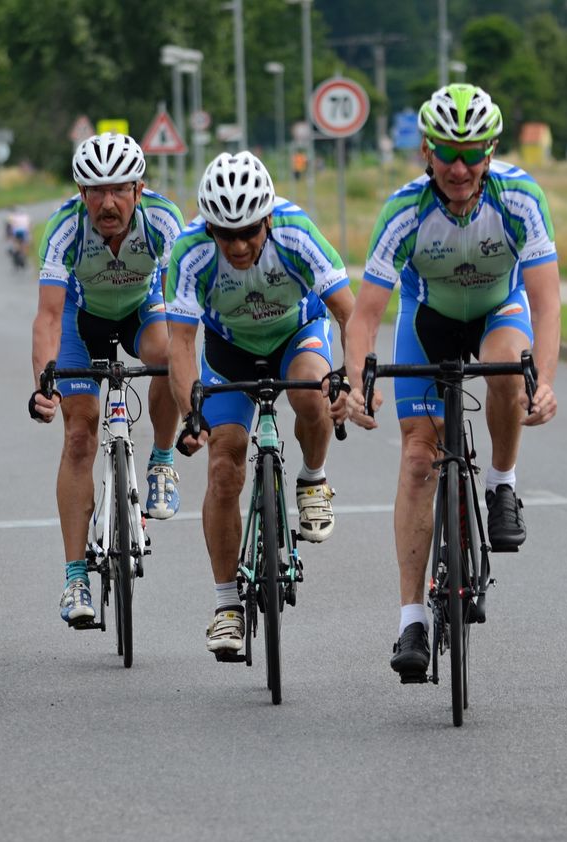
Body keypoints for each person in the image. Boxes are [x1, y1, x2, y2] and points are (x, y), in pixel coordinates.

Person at [343, 84, 560, 679]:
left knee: (507, 370)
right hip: (429, 321)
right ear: (426, 152)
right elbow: (365, 317)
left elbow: (545, 302)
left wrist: (544, 381)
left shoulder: (520, 197)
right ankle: (412, 618)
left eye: (471, 154)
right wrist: (357, 382)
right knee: (419, 456)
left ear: (490, 151)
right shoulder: (404, 211)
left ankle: (501, 483)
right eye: (446, 153)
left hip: (498, 312)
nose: (459, 168)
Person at [166, 151, 354, 658]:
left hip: (296, 333)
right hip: (229, 353)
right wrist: (191, 414)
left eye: (249, 231)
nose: (239, 245)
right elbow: (180, 344)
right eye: (225, 234)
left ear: (268, 218)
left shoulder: (296, 232)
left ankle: (313, 479)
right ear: (209, 227)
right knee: (224, 466)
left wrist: (351, 381)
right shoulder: (190, 250)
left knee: (311, 390)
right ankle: (227, 605)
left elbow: (348, 312)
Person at [27, 132, 185, 627]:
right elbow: (47, 317)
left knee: (167, 356)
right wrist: (43, 385)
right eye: (96, 191)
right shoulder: (64, 228)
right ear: (81, 193)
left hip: (141, 310)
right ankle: (75, 577)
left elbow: (182, 317)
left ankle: (161, 462)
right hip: (82, 320)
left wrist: (194, 391)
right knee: (80, 434)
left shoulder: (163, 220)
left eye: (119, 189)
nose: (108, 202)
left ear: (139, 189)